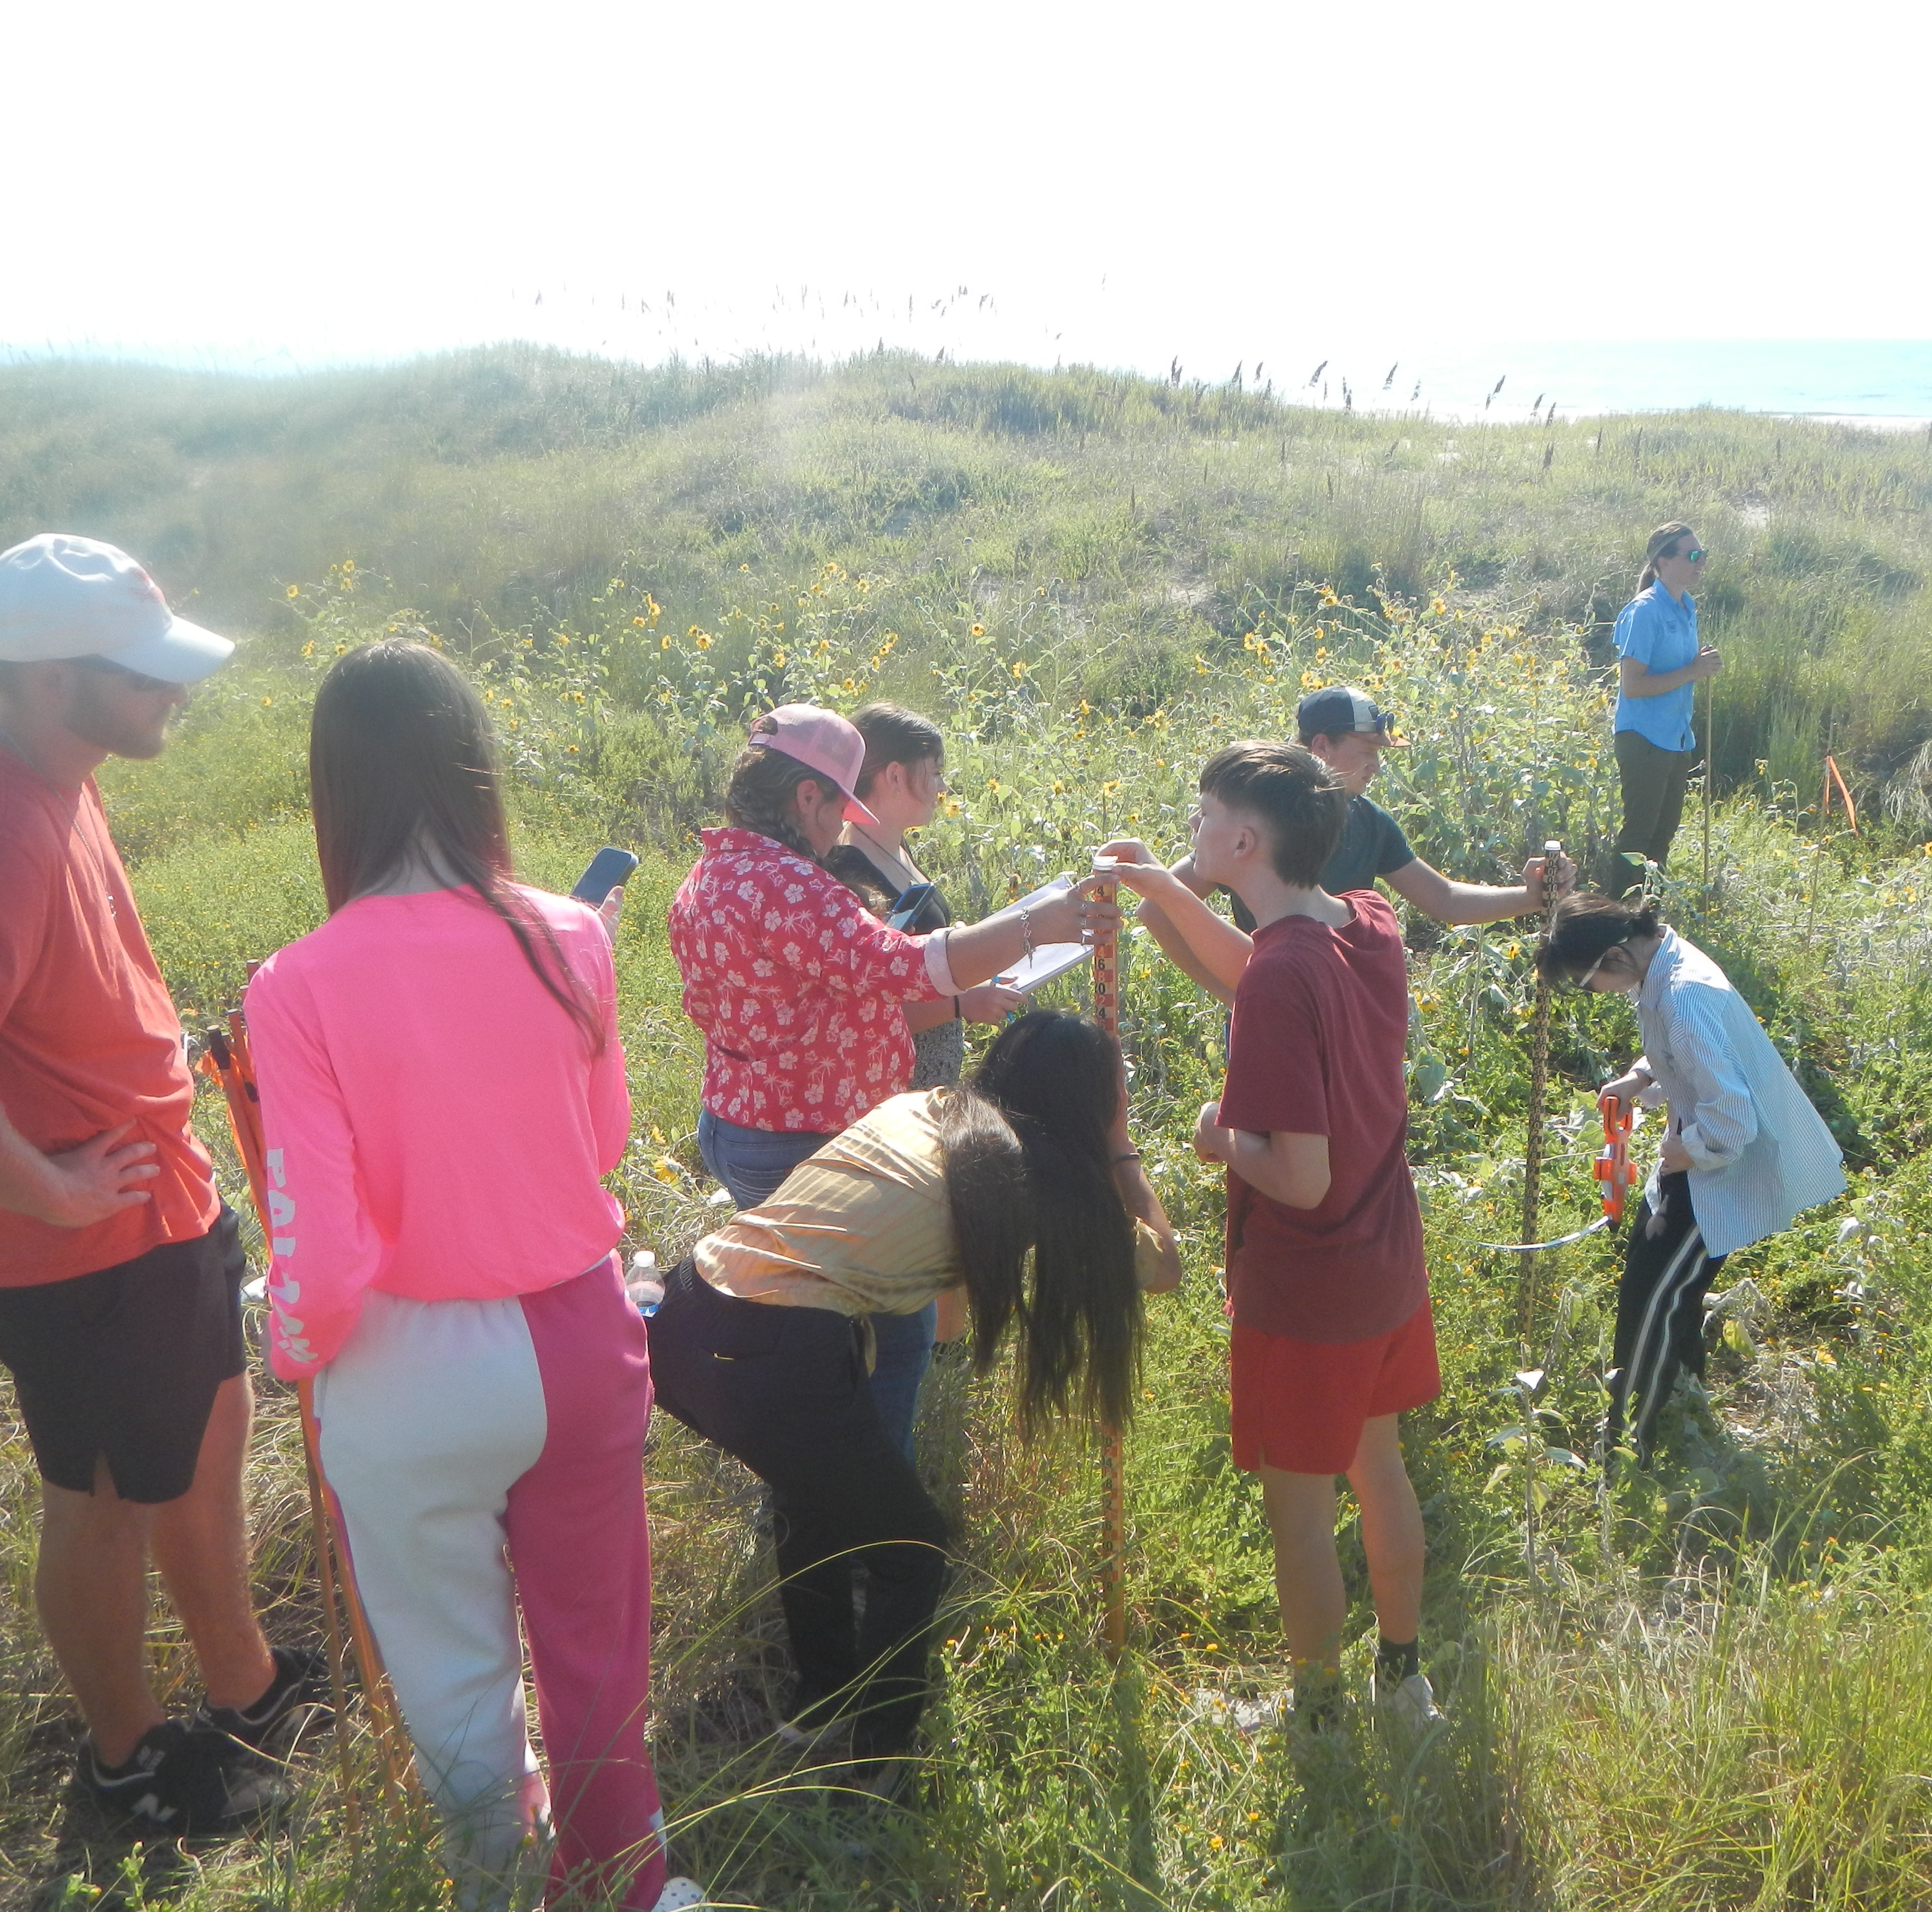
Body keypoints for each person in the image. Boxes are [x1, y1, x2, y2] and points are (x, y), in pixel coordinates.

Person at [0, 533, 319, 1837]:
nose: (176, 691)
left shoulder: (55, 758)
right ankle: (127, 1756)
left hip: (155, 1212)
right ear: (56, 675)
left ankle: (245, 1677)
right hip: (80, 1251)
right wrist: (50, 1191)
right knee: (107, 1499)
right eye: (146, 671)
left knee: (204, 1440)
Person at [245, 642, 696, 1912]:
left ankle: (498, 1880)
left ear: (333, 787)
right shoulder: (567, 933)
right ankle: (627, 1883)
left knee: (449, 1666)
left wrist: (290, 1343)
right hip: (575, 1329)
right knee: (596, 1648)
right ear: (473, 766)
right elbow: (599, 1141)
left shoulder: (298, 980)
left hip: (401, 1363)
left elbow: (322, 1256)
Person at [647, 1011, 1179, 1796]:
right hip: (773, 1347)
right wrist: (1121, 1148)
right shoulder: (1021, 1181)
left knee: (818, 1497)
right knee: (914, 1549)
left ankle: (818, 1703)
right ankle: (875, 1773)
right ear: (1082, 1107)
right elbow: (1163, 1266)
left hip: (688, 1314)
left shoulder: (924, 1108)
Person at [1100, 743, 1444, 1731]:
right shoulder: (1362, 922)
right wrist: (1163, 887)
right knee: (1379, 1468)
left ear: (1243, 840)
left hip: (1308, 1287)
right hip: (1384, 1266)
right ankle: (1403, 1678)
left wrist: (1219, 1140)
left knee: (1299, 1517)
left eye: (1202, 814)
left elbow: (1296, 1172)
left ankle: (1319, 1712)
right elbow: (1260, 964)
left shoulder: (1282, 980)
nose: (1194, 824)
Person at [667, 705, 1113, 1459]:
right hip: (807, 1143)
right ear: (806, 797)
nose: (843, 826)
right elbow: (910, 967)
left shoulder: (714, 873)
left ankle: (801, 1493)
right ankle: (868, 1514)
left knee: (800, 1328)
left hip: (745, 1124)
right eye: (840, 803)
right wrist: (1037, 925)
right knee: (893, 1328)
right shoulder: (788, 887)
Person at [1535, 893, 1847, 1464]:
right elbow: (1683, 1059)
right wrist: (1637, 1079)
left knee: (1651, 1300)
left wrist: (1690, 1152)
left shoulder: (1683, 997)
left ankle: (1630, 1438)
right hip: (1695, 1158)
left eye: (1587, 983)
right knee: (1661, 1283)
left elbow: (1734, 1118)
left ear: (1613, 956)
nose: (1596, 993)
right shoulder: (1662, 967)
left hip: (1720, 1168)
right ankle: (1683, 1393)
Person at [1137, 687, 1568, 1006]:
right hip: (1274, 1000)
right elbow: (1157, 907)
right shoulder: (1258, 819)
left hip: (1346, 1006)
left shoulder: (1369, 820)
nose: (1377, 765)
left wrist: (1530, 897)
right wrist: (1231, 993)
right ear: (1322, 746)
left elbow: (1445, 899)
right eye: (1366, 750)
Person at [822, 702, 1026, 1365]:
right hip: (898, 1079)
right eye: (932, 772)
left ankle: (937, 1348)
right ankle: (923, 1356)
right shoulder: (852, 874)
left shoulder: (896, 853)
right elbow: (876, 1006)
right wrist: (965, 1005)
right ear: (890, 776)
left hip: (930, 1069)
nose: (941, 786)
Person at [1608, 522, 1725, 895]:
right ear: (1663, 560)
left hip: (1676, 739)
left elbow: (1677, 672)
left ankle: (1645, 918)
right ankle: (1613, 917)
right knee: (1638, 837)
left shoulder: (1686, 608)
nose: (1701, 561)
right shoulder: (1644, 612)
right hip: (1643, 738)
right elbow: (1634, 685)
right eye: (1693, 555)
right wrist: (1692, 670)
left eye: (1702, 554)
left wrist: (1699, 665)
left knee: (1663, 836)